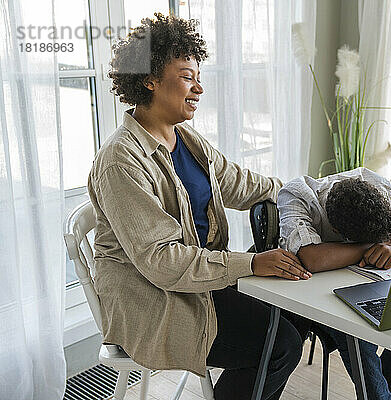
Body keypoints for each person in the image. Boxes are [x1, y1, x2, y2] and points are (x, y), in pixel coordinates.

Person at [87, 14, 312, 400]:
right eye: (188, 75)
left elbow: (240, 184)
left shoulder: (186, 139)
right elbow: (161, 262)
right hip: (155, 300)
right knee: (279, 344)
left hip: (197, 281)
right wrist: (253, 263)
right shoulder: (121, 160)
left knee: (296, 314)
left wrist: (305, 192)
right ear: (150, 80)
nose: (199, 87)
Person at [277, 167, 391, 400]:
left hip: (371, 286)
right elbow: (312, 258)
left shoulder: (378, 188)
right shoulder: (297, 195)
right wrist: (380, 243)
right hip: (315, 295)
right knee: (355, 334)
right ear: (337, 231)